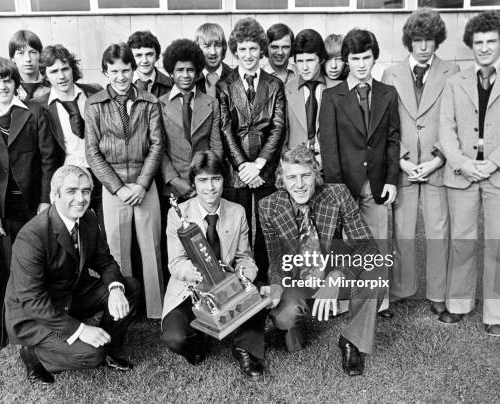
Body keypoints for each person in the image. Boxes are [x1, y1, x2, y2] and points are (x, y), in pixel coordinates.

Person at [5, 165, 141, 384]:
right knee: (91, 355)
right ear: (54, 195)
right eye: (72, 191)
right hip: (35, 314)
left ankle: (109, 346)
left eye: (86, 191)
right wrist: (79, 330)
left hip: (70, 296)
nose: (81, 198)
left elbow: (105, 261)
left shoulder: (88, 218)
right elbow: (32, 301)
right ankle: (32, 354)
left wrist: (115, 289)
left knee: (130, 287)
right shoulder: (31, 236)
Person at [259, 146, 387, 377]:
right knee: (284, 318)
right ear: (282, 179)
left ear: (315, 175)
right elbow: (276, 259)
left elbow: (367, 245)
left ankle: (351, 342)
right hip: (298, 277)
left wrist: (337, 276)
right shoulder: (268, 206)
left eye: (305, 176)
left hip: (334, 271)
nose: (299, 184)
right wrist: (277, 286)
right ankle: (293, 327)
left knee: (376, 271)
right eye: (291, 177)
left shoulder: (337, 194)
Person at [438, 11, 500, 336]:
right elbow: (446, 127)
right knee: (462, 241)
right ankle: (458, 304)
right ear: (471, 45)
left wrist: (495, 161)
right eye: (478, 42)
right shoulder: (454, 81)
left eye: (490, 41)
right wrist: (461, 162)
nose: (484, 48)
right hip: (463, 174)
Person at [0, 57, 62, 346]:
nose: (2, 86)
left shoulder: (35, 112)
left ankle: (48, 321)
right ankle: (15, 327)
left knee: (39, 261)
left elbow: (50, 158)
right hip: (2, 208)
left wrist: (44, 200)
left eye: (7, 80)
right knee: (10, 265)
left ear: (16, 83)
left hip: (32, 204)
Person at [381, 8, 459, 315]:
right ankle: (402, 289)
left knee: (439, 233)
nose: (424, 45)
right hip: (404, 167)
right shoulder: (391, 74)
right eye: (418, 39)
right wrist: (399, 159)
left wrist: (439, 158)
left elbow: (456, 121)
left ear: (437, 40)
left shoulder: (451, 72)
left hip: (436, 166)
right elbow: (386, 123)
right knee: (403, 233)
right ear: (408, 41)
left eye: (429, 39)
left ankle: (438, 295)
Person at [162, 151, 266, 379]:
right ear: (194, 183)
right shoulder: (177, 214)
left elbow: (244, 257)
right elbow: (176, 263)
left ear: (223, 180)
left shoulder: (237, 212)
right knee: (175, 337)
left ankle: (245, 349)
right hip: (191, 291)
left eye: (215, 179)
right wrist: (205, 274)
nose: (210, 187)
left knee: (256, 295)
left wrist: (243, 278)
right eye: (202, 180)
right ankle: (199, 340)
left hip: (228, 286)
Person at [319, 29, 401, 318]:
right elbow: (328, 146)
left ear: (374, 58)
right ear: (346, 60)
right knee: (344, 244)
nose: (362, 64)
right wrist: (336, 189)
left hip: (377, 183)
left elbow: (393, 140)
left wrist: (391, 180)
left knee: (378, 242)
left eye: (367, 58)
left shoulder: (387, 94)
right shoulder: (331, 97)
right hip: (344, 185)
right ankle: (342, 300)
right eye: (355, 58)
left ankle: (379, 301)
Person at [85, 43, 164, 320]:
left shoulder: (150, 101)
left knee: (151, 247)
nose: (121, 77)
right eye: (114, 71)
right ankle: (126, 310)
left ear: (134, 70)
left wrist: (142, 185)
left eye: (126, 70)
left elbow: (156, 145)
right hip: (113, 187)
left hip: (145, 184)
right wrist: (117, 187)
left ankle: (156, 310)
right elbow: (92, 152)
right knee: (118, 250)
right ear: (106, 73)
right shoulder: (94, 104)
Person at [218, 17, 286, 283]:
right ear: (235, 51)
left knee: (267, 228)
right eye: (243, 49)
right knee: (238, 229)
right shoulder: (224, 85)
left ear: (262, 51)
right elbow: (225, 129)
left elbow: (278, 128)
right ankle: (239, 281)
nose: (248, 55)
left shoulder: (274, 84)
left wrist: (258, 164)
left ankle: (266, 281)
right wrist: (243, 166)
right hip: (237, 172)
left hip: (264, 169)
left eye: (253, 49)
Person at [35, 44, 104, 223]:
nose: (61, 76)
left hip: (102, 175)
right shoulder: (39, 106)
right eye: (54, 71)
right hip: (67, 179)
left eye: (65, 69)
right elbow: (44, 157)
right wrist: (45, 197)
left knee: (107, 234)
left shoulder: (95, 93)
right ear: (45, 75)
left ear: (72, 68)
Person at [159, 38, 223, 204]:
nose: (185, 75)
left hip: (204, 187)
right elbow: (158, 149)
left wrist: (206, 180)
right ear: (171, 73)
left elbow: (216, 145)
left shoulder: (211, 103)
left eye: (190, 70)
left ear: (197, 72)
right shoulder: (159, 104)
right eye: (180, 70)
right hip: (173, 187)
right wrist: (175, 181)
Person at [284, 29, 327, 158]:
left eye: (310, 60)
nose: (304, 67)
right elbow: (281, 135)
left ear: (320, 59)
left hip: (329, 164)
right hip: (296, 163)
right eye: (300, 61)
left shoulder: (337, 88)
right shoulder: (287, 89)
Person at [127, 30, 173, 97]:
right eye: (139, 55)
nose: (145, 60)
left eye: (149, 54)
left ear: (156, 56)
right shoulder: (122, 83)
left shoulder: (170, 85)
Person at [8, 30, 49, 102]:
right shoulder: (8, 87)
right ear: (12, 58)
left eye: (33, 52)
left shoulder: (51, 82)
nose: (28, 59)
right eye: (21, 53)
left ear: (40, 55)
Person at [194, 23, 233, 97]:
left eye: (217, 45)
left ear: (223, 47)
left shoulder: (235, 78)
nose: (213, 52)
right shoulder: (190, 79)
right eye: (207, 46)